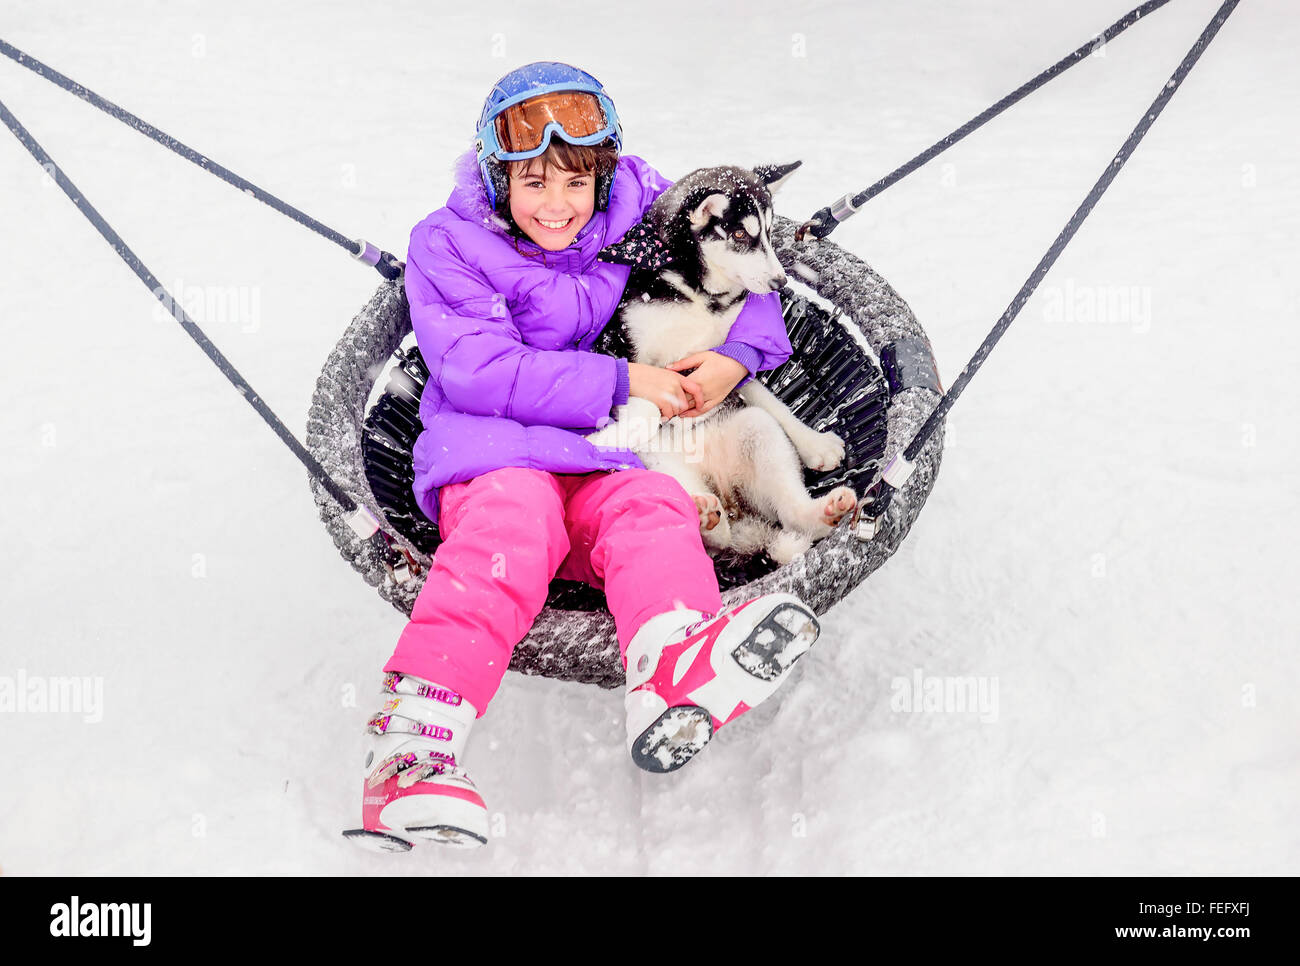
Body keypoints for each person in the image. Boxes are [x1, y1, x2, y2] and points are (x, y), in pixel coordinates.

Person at [348, 63, 821, 853]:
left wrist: (737, 358)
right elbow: (480, 370)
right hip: (494, 450)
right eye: (533, 183)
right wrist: (622, 378)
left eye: (577, 181)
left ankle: (673, 665)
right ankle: (410, 754)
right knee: (512, 525)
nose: (559, 206)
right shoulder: (450, 243)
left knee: (655, 509)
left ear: (604, 172)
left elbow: (747, 265)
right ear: (498, 177)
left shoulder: (643, 200)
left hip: (615, 456)